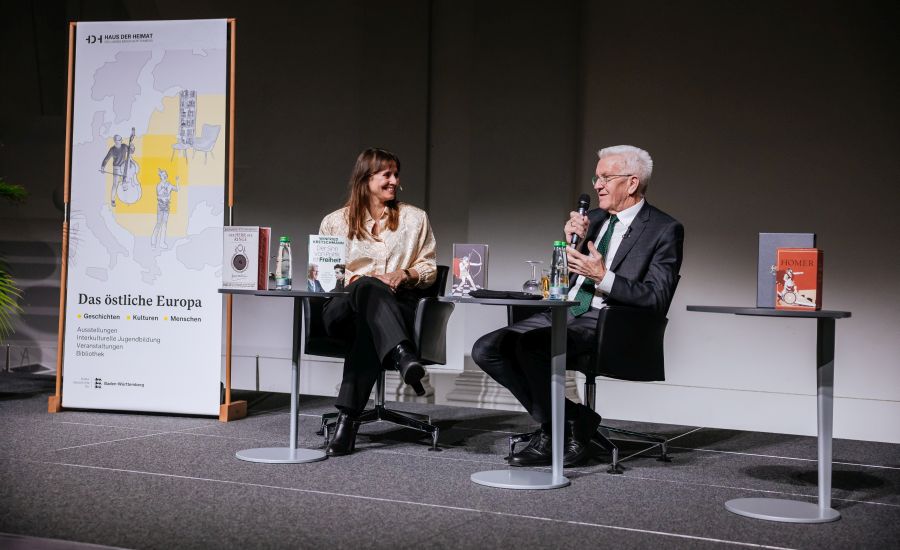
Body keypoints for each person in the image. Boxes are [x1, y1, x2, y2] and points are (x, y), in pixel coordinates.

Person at [472, 145, 684, 467]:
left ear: (631, 182)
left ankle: (550, 430)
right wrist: (568, 243)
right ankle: (576, 419)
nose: (596, 185)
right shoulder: (593, 220)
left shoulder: (664, 229)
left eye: (605, 178)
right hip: (567, 311)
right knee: (488, 348)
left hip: (609, 322)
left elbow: (656, 297)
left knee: (530, 347)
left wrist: (604, 276)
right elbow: (564, 279)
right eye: (596, 177)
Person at [317, 148, 437, 456]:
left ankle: (348, 419)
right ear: (366, 178)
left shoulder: (415, 218)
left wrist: (404, 272)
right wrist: (357, 282)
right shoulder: (334, 223)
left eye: (397, 174)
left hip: (394, 309)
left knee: (367, 327)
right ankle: (401, 352)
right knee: (366, 287)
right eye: (387, 174)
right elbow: (322, 275)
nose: (395, 181)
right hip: (342, 308)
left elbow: (429, 269)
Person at [100, 134, 135, 207]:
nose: (121, 140)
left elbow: (131, 152)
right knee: (115, 184)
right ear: (115, 141)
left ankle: (127, 199)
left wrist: (132, 147)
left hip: (124, 167)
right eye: (119, 140)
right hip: (116, 168)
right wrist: (103, 166)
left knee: (125, 182)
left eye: (121, 139)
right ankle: (112, 200)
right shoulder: (112, 149)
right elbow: (107, 158)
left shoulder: (124, 146)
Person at [151, 169, 178, 249]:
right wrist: (163, 190)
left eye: (165, 174)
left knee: (165, 224)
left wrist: (177, 181)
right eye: (163, 175)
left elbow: (177, 189)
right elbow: (158, 195)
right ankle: (153, 243)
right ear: (161, 177)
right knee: (158, 224)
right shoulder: (159, 185)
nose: (165, 176)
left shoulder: (169, 185)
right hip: (160, 206)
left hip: (166, 206)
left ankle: (162, 243)